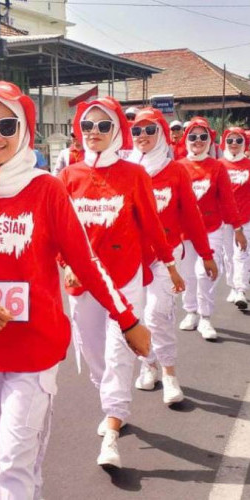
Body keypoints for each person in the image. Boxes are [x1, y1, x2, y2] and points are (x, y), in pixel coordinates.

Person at [0, 82, 150, 498]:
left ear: (24, 130)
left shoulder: (47, 189)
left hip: (34, 350)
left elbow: (86, 261)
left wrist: (127, 319)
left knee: (14, 459)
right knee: (11, 459)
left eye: (5, 124)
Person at [59, 96, 178, 468]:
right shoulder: (68, 176)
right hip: (83, 286)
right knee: (94, 355)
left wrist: (171, 265)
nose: (94, 132)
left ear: (116, 131)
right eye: (88, 126)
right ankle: (114, 405)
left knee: (117, 353)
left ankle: (111, 431)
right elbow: (58, 231)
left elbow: (153, 228)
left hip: (125, 281)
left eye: (104, 126)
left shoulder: (134, 175)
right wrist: (64, 263)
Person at [129, 108, 216, 405]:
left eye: (150, 130)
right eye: (137, 131)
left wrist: (205, 254)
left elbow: (191, 216)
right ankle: (147, 364)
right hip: (130, 260)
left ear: (162, 134)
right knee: (136, 317)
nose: (143, 136)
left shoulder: (175, 170)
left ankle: (169, 373)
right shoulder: (124, 170)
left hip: (166, 257)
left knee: (158, 313)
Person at [178, 117, 247, 339]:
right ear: (186, 139)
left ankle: (205, 318)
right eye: (193, 136)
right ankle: (190, 312)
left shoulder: (217, 167)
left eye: (203, 136)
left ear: (210, 140)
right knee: (188, 275)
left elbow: (227, 201)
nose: (198, 141)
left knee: (204, 273)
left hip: (212, 230)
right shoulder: (177, 167)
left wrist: (237, 229)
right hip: (184, 233)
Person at [219, 127, 250, 309]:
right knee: (228, 255)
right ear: (225, 142)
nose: (234, 144)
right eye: (230, 140)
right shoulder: (219, 165)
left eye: (238, 141)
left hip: (245, 218)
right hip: (223, 220)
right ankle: (232, 285)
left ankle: (241, 290)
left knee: (241, 254)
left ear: (244, 144)